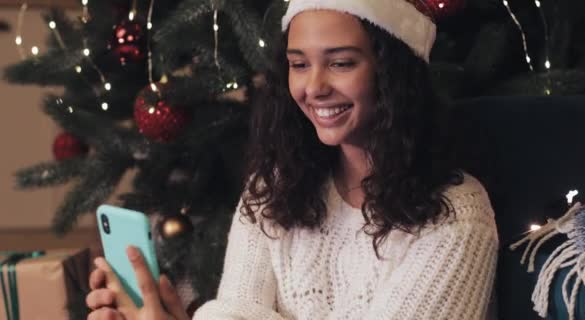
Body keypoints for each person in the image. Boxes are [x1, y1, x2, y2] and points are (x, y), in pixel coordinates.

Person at [86, 0, 499, 319]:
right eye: (299, 64)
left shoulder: (456, 214)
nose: (314, 86)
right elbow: (234, 311)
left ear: (393, 74)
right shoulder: (272, 189)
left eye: (340, 63)